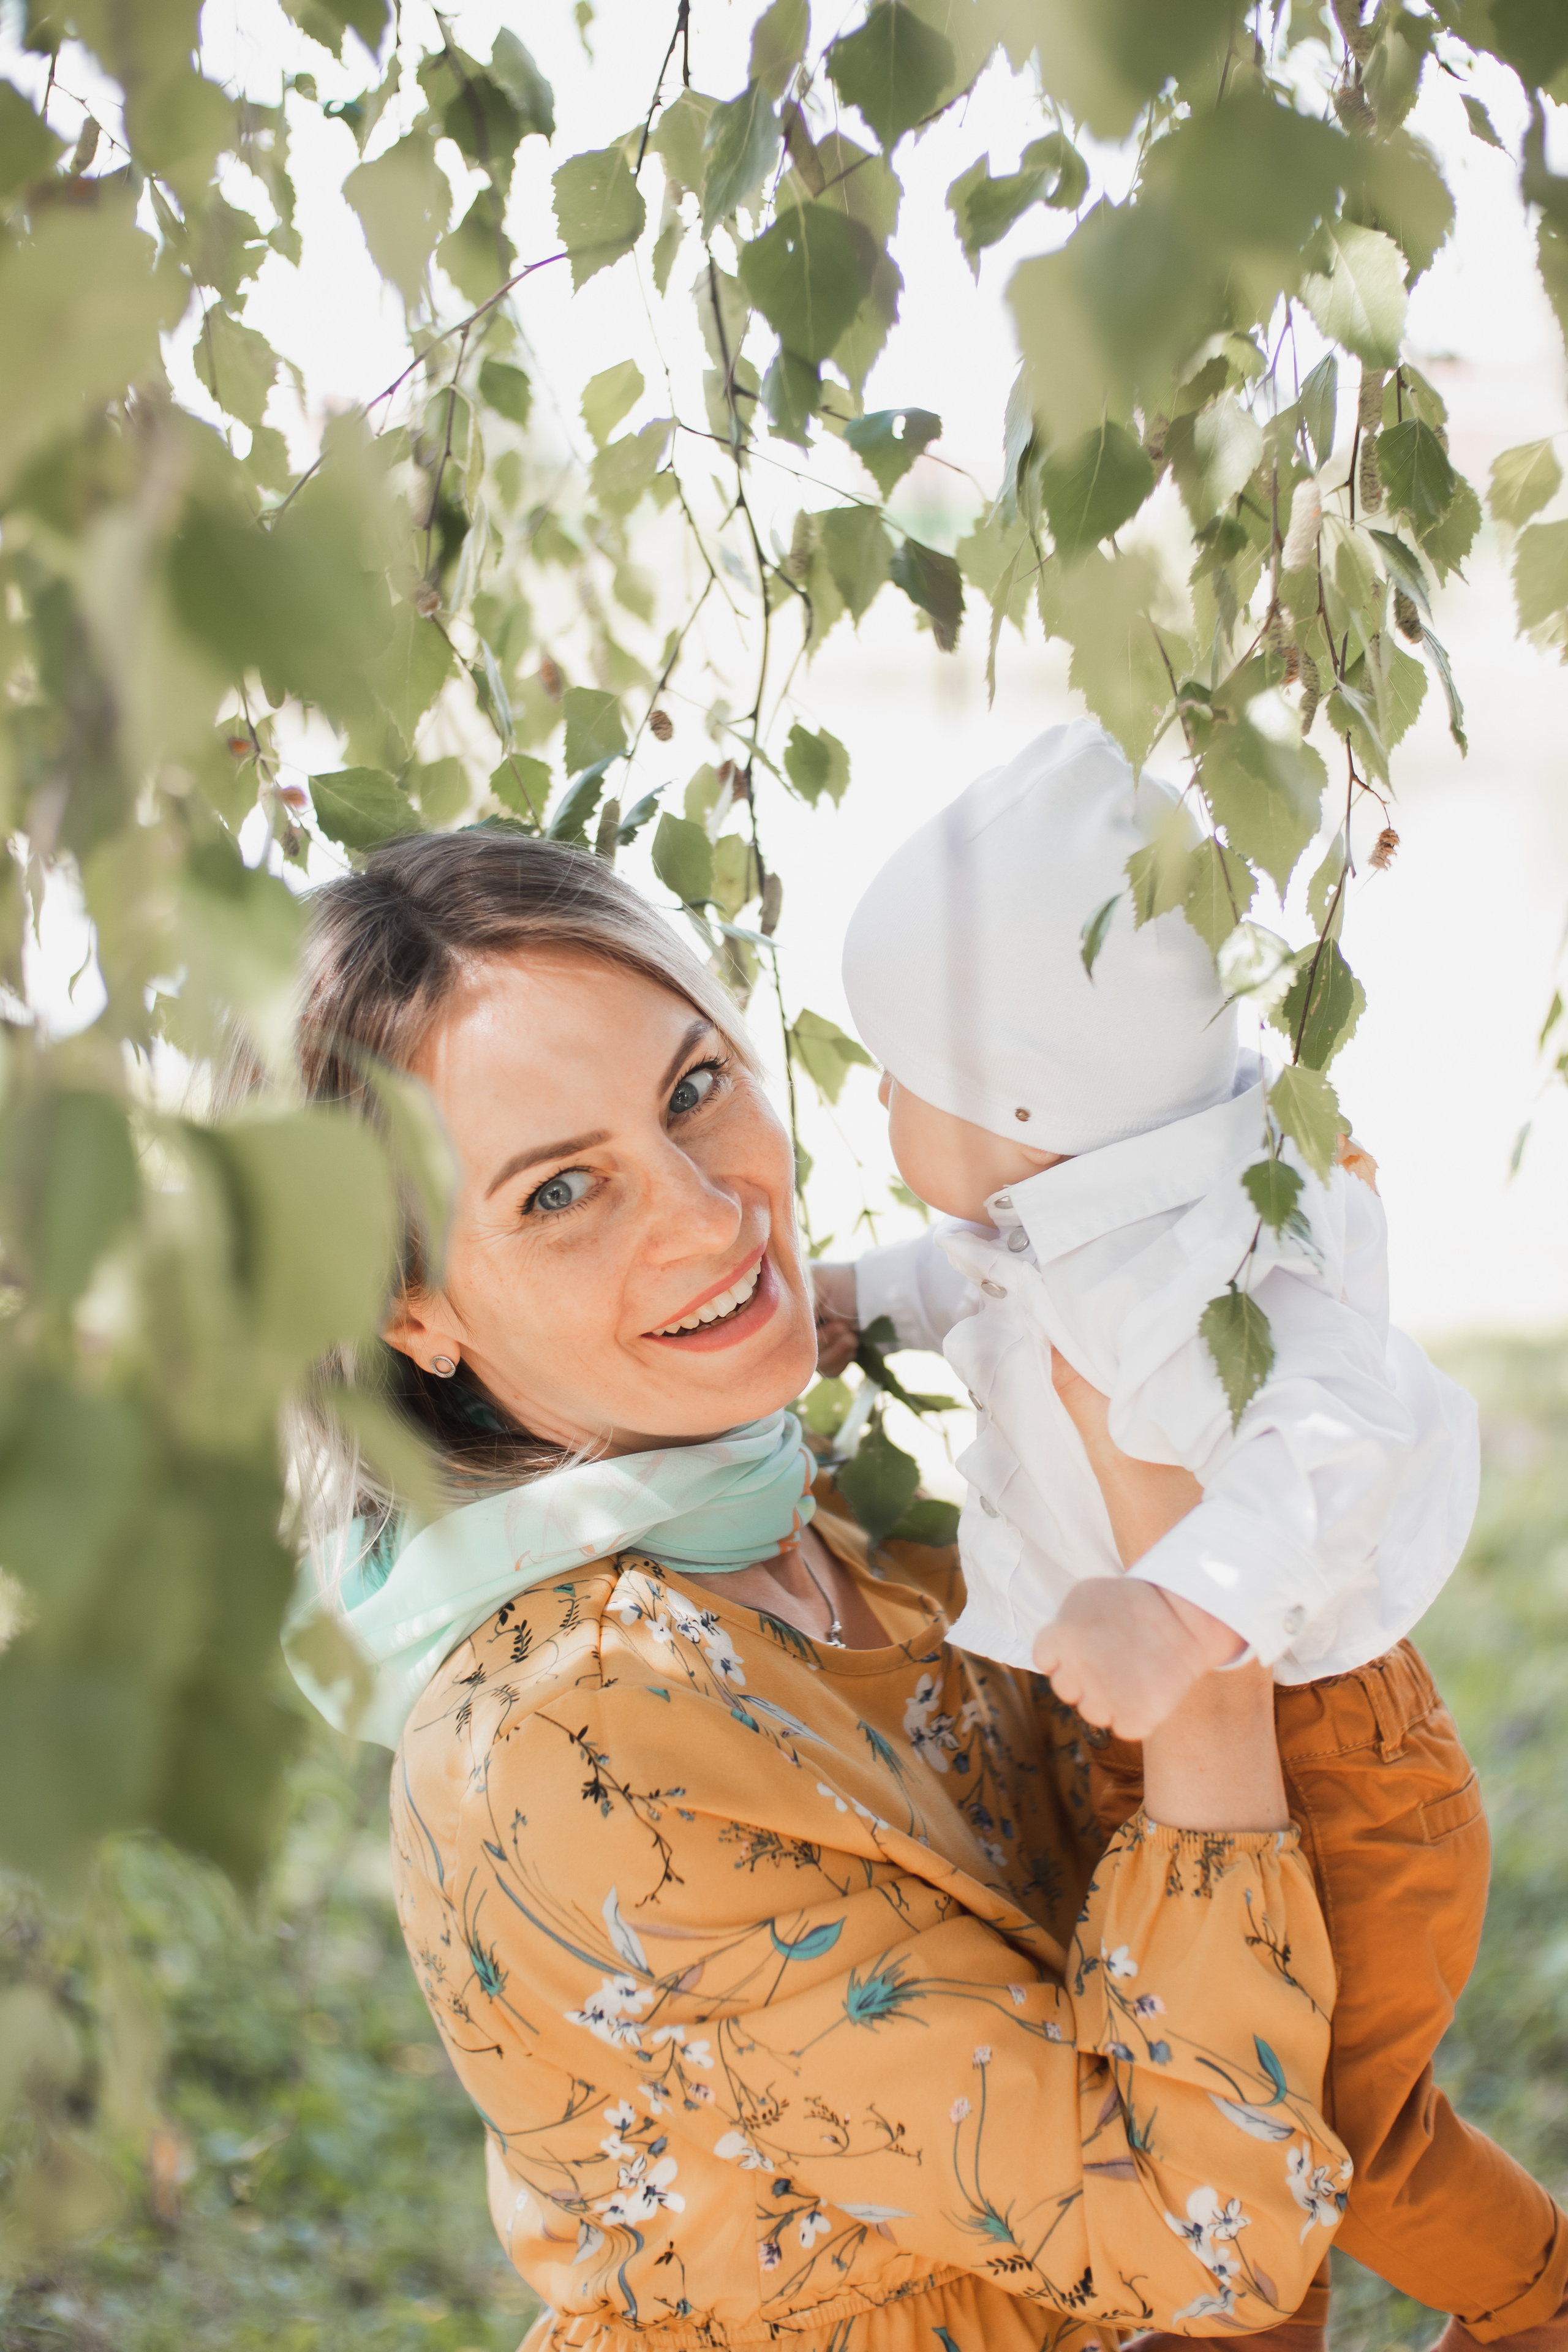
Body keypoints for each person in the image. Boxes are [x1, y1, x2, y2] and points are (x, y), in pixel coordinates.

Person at [282, 827, 1349, 2352]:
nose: (710, 1216)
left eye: (693, 1090)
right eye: (561, 1190)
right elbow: (1202, 2238)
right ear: (411, 1312)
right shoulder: (570, 1739)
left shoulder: (834, 1509)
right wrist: (1204, 1640)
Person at [824, 718, 1568, 2351]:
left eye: (901, 1079)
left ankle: (1542, 2305)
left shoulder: (1223, 1250)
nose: (874, 1100)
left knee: (1342, 2151)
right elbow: (961, 1278)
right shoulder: (1053, 1212)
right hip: (1166, 1770)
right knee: (1216, 2120)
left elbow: (1340, 1428)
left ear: (1027, 1103)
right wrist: (844, 1301)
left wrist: (1183, 1603)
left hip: (1332, 1766)